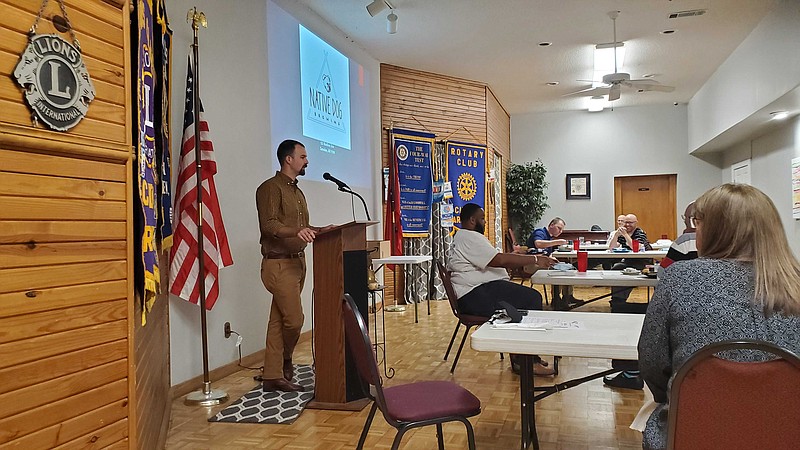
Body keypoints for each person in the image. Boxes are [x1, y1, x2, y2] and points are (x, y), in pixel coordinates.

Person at [638, 184, 800, 450]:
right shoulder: (796, 281)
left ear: (715, 228)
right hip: (787, 434)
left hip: (693, 432)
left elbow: (652, 362)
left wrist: (669, 394)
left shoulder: (679, 278)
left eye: (698, 223)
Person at [449, 203, 558, 376]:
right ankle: (526, 361)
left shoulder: (466, 236)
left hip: (478, 291)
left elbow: (495, 258)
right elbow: (498, 260)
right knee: (531, 299)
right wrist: (535, 259)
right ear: (472, 220)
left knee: (525, 299)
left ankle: (522, 356)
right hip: (474, 295)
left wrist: (521, 258)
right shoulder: (469, 237)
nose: (485, 222)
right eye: (482, 218)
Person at [256, 139, 326, 392]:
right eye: (303, 156)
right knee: (295, 321)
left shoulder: (297, 192)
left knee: (278, 321)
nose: (307, 161)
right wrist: (299, 231)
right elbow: (270, 225)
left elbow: (302, 230)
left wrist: (321, 230)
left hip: (298, 263)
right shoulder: (270, 188)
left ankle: (273, 376)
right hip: (279, 265)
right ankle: (285, 360)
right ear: (289, 159)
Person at [603, 213, 652, 390]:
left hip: (640, 264)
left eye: (630, 223)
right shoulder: (620, 231)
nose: (627, 225)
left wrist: (626, 236)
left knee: (618, 270)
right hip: (626, 264)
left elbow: (637, 249)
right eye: (625, 223)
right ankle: (617, 302)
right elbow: (610, 249)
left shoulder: (640, 233)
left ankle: (618, 304)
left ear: (636, 223)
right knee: (616, 270)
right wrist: (617, 234)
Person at [526, 217, 584, 310]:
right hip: (531, 264)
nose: (560, 231)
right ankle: (556, 299)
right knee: (560, 271)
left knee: (568, 268)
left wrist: (551, 257)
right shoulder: (540, 232)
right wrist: (557, 242)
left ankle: (567, 296)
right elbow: (538, 244)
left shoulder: (549, 237)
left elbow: (546, 252)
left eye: (562, 230)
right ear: (551, 225)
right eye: (559, 228)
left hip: (542, 263)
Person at [658, 201, 697, 272]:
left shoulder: (686, 241)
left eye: (685, 218)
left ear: (693, 220)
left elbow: (663, 271)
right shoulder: (720, 239)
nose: (685, 221)